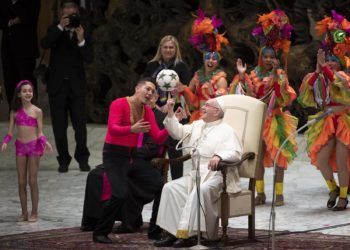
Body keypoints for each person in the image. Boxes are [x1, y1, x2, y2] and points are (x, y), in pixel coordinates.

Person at [229, 10, 298, 206]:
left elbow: (285, 98)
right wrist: (242, 76)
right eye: (265, 56)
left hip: (275, 120)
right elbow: (246, 95)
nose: (268, 59)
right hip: (257, 120)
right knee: (256, 158)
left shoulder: (280, 74)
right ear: (260, 57)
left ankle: (279, 193)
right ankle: (260, 193)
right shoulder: (253, 74)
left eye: (271, 56)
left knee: (278, 158)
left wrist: (277, 78)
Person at [154, 97, 243, 248]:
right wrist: (170, 113)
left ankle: (199, 235)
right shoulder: (197, 125)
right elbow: (178, 132)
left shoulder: (227, 130)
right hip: (195, 174)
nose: (203, 107)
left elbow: (236, 152)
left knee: (200, 190)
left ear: (216, 111)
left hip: (216, 174)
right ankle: (173, 232)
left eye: (207, 105)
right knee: (171, 188)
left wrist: (219, 156)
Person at [92, 78, 168, 244]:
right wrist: (131, 129)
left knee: (162, 186)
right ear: (137, 88)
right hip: (114, 155)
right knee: (119, 195)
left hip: (133, 157)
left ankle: (155, 231)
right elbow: (112, 128)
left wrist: (170, 121)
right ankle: (100, 232)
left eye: (153, 92)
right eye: (147, 89)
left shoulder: (147, 111)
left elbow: (158, 137)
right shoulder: (119, 103)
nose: (150, 93)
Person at [298, 10, 350, 211]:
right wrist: (318, 71)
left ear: (340, 62)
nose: (329, 62)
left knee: (341, 160)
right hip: (326, 121)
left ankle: (344, 197)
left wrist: (326, 70)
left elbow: (342, 90)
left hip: (343, 121)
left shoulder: (344, 77)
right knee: (321, 160)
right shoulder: (317, 77)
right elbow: (305, 98)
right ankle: (333, 189)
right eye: (326, 58)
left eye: (333, 59)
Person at [40, 0, 92, 172]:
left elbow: (90, 58)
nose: (69, 11)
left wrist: (81, 40)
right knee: (59, 127)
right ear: (62, 11)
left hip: (77, 86)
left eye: (72, 8)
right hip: (57, 86)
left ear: (77, 11)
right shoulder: (54, 29)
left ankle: (82, 158)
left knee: (80, 127)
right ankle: (63, 160)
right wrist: (60, 27)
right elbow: (45, 44)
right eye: (66, 8)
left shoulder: (84, 30)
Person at [1, 80, 53, 222]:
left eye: (30, 91)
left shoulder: (37, 111)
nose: (28, 93)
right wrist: (5, 142)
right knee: (21, 181)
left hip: (34, 146)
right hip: (20, 147)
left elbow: (40, 132)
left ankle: (34, 212)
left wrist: (46, 142)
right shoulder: (14, 112)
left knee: (32, 181)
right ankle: (24, 212)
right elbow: (10, 132)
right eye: (24, 91)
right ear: (19, 94)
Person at [143, 35, 191, 180]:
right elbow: (144, 87)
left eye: (171, 47)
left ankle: (177, 183)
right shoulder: (151, 66)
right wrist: (156, 106)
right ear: (160, 48)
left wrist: (180, 91)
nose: (168, 50)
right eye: (165, 47)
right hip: (155, 111)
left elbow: (187, 89)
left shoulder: (181, 66)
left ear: (176, 49)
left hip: (175, 113)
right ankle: (155, 182)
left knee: (175, 150)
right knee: (154, 148)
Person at [177, 9, 229, 123]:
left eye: (214, 59)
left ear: (218, 61)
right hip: (198, 117)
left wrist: (213, 94)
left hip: (213, 120)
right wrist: (183, 89)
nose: (210, 61)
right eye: (208, 58)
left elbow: (224, 104)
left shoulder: (220, 80)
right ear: (203, 59)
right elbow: (190, 93)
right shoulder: (197, 75)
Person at [0, 0, 41, 107]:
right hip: (8, 48)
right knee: (9, 82)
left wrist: (15, 3)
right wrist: (10, 22)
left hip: (25, 49)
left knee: (26, 81)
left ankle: (30, 113)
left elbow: (28, 17)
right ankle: (13, 113)